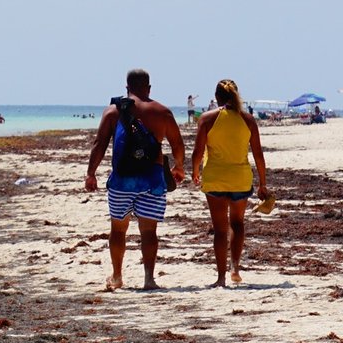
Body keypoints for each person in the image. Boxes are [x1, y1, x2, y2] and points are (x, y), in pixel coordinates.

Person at [84, 69, 186, 292]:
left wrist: (91, 173)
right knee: (149, 232)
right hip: (152, 179)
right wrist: (179, 167)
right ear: (149, 87)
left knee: (118, 230)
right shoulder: (162, 112)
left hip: (122, 181)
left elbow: (99, 144)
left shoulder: (113, 112)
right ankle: (149, 279)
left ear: (126, 88)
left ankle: (118, 276)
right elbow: (177, 144)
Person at [190, 79, 269, 288]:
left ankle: (221, 278)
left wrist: (194, 172)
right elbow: (259, 155)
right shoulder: (248, 119)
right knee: (237, 223)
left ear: (217, 97)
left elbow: (197, 152)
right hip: (240, 178)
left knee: (220, 229)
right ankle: (235, 268)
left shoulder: (207, 118)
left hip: (215, 177)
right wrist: (263, 183)